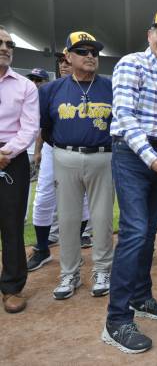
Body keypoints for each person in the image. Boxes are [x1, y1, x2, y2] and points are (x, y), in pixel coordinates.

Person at [103, 9, 157, 353]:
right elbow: (124, 117)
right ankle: (116, 319)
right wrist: (152, 159)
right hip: (132, 153)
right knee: (135, 231)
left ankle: (140, 297)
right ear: (149, 34)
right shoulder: (130, 64)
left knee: (149, 231)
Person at [39, 31, 114, 300]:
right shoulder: (51, 89)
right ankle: (69, 274)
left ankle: (103, 269)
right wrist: (65, 146)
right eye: (83, 51)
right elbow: (46, 129)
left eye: (94, 52)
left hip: (103, 156)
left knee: (103, 217)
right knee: (68, 219)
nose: (91, 56)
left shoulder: (110, 86)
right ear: (68, 57)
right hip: (65, 155)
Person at [28, 51, 92, 272]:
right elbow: (41, 125)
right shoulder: (50, 89)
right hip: (52, 147)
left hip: (81, 151)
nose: (63, 65)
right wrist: (39, 149)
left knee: (82, 197)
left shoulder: (89, 88)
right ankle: (42, 248)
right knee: (44, 194)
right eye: (61, 62)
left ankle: (74, 245)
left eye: (67, 60)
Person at [0, 25, 39, 313]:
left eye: (9, 44)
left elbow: (29, 129)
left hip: (12, 157)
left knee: (12, 224)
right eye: (0, 43)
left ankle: (12, 287)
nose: (5, 48)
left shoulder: (25, 85)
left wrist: (7, 152)